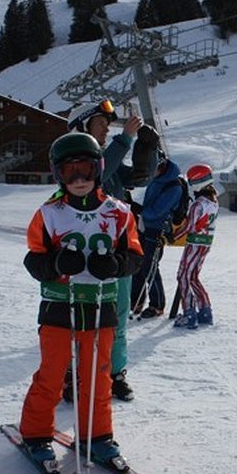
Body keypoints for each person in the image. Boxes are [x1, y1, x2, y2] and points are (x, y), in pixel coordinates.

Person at [19, 132, 143, 466]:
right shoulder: (49, 213)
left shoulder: (119, 213)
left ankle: (97, 436)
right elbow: (33, 259)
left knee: (98, 374)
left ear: (99, 169)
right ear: (57, 174)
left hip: (100, 305)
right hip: (59, 304)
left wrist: (115, 265)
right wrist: (56, 263)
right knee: (53, 372)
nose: (78, 179)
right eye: (68, 171)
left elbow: (134, 254)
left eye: (85, 169)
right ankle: (36, 434)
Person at [66, 100, 160, 400]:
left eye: (108, 126)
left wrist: (148, 149)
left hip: (116, 252)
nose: (107, 128)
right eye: (101, 123)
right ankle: (75, 373)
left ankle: (115, 372)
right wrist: (126, 139)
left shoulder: (111, 159)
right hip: (83, 255)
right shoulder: (72, 164)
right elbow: (98, 178)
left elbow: (141, 177)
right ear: (82, 126)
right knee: (80, 319)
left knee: (117, 318)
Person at [130, 150, 182, 319]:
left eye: (152, 168)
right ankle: (135, 301)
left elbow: (158, 211)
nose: (150, 172)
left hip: (157, 230)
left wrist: (139, 210)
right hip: (145, 227)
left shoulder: (173, 186)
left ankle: (157, 304)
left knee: (149, 266)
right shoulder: (157, 180)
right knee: (137, 263)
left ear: (161, 166)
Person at [173, 164, 219, 329]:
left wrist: (172, 236)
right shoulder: (213, 201)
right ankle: (205, 310)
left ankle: (189, 313)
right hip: (205, 243)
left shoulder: (199, 204)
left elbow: (189, 226)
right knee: (193, 277)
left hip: (194, 243)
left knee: (183, 276)